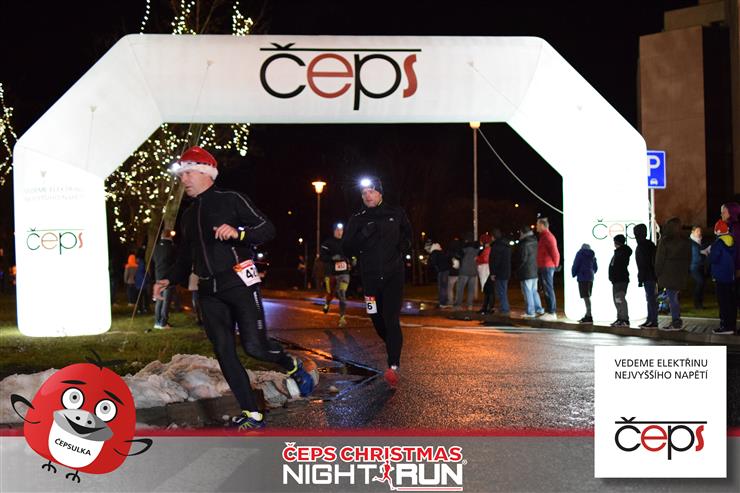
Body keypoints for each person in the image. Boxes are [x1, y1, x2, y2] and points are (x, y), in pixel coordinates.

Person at [153, 146, 314, 431]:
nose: (183, 179)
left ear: (206, 173)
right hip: (208, 292)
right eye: (181, 175)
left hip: (239, 284)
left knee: (255, 347)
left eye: (188, 173)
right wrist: (169, 279)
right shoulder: (188, 215)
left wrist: (238, 233)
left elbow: (267, 229)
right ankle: (252, 413)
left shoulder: (231, 199)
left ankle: (290, 364)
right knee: (225, 353)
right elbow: (186, 256)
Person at [342, 176, 412, 388]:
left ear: (380, 193)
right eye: (364, 193)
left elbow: (408, 234)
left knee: (391, 318)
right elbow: (346, 247)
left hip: (393, 275)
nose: (367, 196)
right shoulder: (357, 218)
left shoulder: (396, 212)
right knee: (375, 317)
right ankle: (392, 343)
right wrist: (362, 235)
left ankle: (393, 366)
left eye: (371, 191)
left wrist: (404, 246)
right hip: (370, 278)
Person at [655, 217, 692, 330]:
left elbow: (660, 259)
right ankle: (676, 320)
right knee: (674, 297)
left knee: (672, 298)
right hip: (680, 273)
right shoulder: (685, 240)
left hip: (668, 273)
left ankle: (676, 321)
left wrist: (657, 273)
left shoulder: (665, 241)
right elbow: (689, 257)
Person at [320, 223, 351, 327]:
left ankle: (342, 318)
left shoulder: (346, 242)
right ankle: (327, 303)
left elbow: (352, 253)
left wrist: (353, 260)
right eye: (337, 230)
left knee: (342, 293)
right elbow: (322, 257)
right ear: (334, 231)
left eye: (341, 230)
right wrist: (332, 258)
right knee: (331, 294)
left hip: (344, 274)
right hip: (331, 274)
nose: (339, 232)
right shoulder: (328, 243)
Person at [709, 220, 737, 335]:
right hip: (730, 276)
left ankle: (725, 327)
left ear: (717, 231)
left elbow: (713, 259)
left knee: (723, 302)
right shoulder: (732, 241)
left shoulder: (718, 243)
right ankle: (731, 325)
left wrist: (709, 253)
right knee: (730, 302)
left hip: (720, 277)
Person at [634, 224, 658, 328]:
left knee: (650, 298)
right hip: (650, 274)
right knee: (650, 298)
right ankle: (650, 319)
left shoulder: (642, 245)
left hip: (648, 275)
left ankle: (653, 320)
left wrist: (641, 277)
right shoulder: (649, 244)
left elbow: (642, 263)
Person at [536, 217, 560, 320]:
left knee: (548, 289)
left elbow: (555, 252)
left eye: (537, 225)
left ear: (542, 225)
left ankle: (552, 312)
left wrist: (555, 265)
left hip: (547, 266)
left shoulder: (548, 237)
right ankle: (549, 311)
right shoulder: (544, 237)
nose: (536, 227)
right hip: (544, 266)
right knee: (546, 289)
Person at [518, 225, 544, 318]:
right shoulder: (535, 241)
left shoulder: (524, 243)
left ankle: (530, 311)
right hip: (535, 270)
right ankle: (539, 309)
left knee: (527, 291)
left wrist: (518, 269)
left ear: (522, 233)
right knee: (534, 291)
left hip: (526, 271)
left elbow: (522, 259)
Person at [152, 229, 176, 329]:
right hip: (167, 277)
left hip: (158, 276)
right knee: (166, 301)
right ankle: (163, 323)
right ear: (169, 236)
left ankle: (157, 322)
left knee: (159, 300)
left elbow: (153, 261)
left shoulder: (156, 247)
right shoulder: (171, 247)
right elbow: (174, 262)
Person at [608, 234, 632, 327]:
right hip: (617, 280)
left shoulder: (621, 252)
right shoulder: (619, 252)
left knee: (620, 299)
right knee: (617, 299)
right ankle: (620, 318)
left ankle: (624, 319)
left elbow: (618, 266)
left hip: (620, 279)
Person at [571, 243, 598, 323]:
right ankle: (588, 315)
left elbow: (576, 264)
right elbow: (595, 268)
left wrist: (573, 273)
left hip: (582, 277)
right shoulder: (592, 255)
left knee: (586, 297)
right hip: (590, 278)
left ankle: (589, 316)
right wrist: (591, 273)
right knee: (587, 296)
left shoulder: (580, 254)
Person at [489, 228, 511, 315]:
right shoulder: (506, 245)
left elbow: (494, 261)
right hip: (506, 271)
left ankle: (504, 309)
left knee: (501, 291)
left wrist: (493, 273)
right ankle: (503, 307)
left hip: (499, 272)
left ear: (493, 237)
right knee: (503, 290)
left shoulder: (495, 246)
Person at [455, 234, 479, 310]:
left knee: (460, 288)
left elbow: (458, 256)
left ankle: (458, 304)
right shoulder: (476, 249)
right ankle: (470, 305)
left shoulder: (463, 249)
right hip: (473, 271)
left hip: (464, 271)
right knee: (471, 289)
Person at [427, 241, 451, 308]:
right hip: (446, 270)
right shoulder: (442, 252)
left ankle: (442, 303)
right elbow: (448, 260)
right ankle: (444, 302)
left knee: (441, 287)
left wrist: (436, 269)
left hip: (441, 271)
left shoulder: (434, 253)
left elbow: (432, 263)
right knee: (444, 287)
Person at [689, 225, 707, 309]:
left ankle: (699, 302)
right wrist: (704, 254)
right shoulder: (691, 242)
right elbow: (696, 255)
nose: (699, 233)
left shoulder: (700, 241)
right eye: (697, 231)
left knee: (701, 284)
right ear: (692, 232)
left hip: (700, 266)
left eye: (700, 231)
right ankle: (697, 303)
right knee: (700, 282)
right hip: (694, 266)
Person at [476, 233, 493, 313]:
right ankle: (486, 307)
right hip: (487, 270)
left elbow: (485, 259)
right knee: (488, 290)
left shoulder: (487, 249)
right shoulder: (488, 249)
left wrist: (477, 259)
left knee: (488, 290)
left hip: (486, 271)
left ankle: (488, 307)